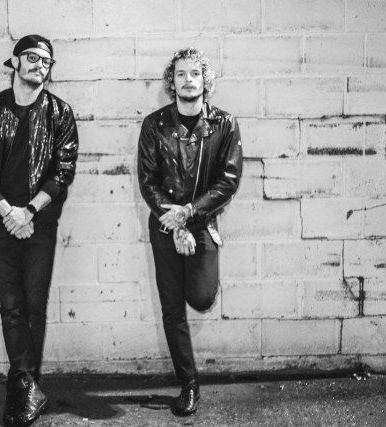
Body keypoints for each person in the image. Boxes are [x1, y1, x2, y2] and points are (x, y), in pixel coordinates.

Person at [0, 35, 78, 426]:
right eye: (32, 57)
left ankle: (24, 386)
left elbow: (63, 172)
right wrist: (9, 214)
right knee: (11, 306)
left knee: (34, 306)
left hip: (39, 225)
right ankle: (26, 386)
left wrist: (29, 211)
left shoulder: (59, 113)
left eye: (46, 61)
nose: (39, 65)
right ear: (14, 62)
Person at [137, 47, 243, 415]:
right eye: (180, 74)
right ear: (172, 81)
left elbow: (228, 180)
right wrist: (174, 222)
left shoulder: (224, 124)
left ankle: (194, 269)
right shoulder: (154, 125)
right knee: (172, 309)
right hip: (164, 223)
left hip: (200, 223)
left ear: (205, 80)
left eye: (194, 73)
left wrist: (189, 214)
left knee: (200, 298)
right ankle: (189, 384)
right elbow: (148, 180)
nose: (187, 80)